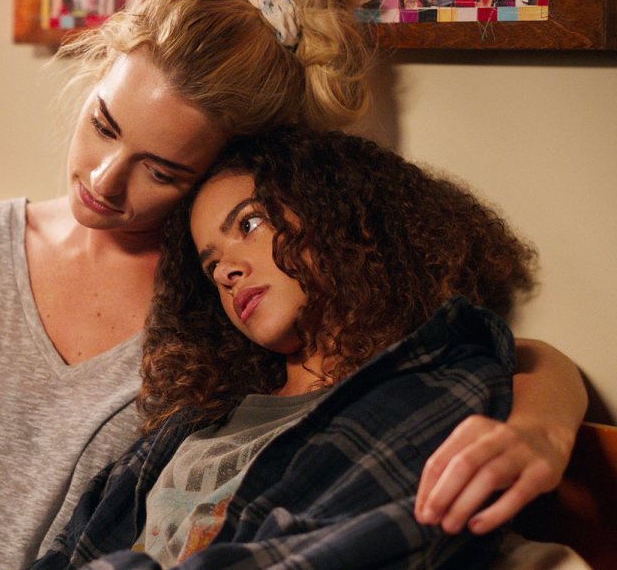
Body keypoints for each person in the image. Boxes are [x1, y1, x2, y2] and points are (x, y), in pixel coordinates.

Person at [0, 0, 583, 570]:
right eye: (102, 124)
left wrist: (544, 427)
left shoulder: (226, 309)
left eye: (161, 171)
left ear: (223, 172)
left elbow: (464, 356)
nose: (102, 181)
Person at [30, 127, 541, 569]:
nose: (226, 272)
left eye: (249, 224)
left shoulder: (432, 390)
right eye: (211, 266)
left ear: (341, 212)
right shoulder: (194, 423)